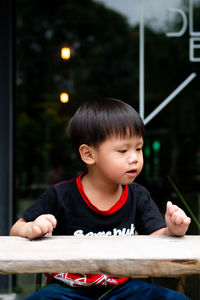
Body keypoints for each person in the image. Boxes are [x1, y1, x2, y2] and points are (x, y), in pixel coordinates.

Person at [10, 98, 191, 299]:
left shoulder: (138, 196)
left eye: (138, 148)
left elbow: (157, 239)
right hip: (66, 290)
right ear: (88, 154)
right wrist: (32, 228)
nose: (134, 158)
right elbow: (16, 229)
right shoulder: (60, 196)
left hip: (121, 289)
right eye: (123, 150)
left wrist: (172, 230)